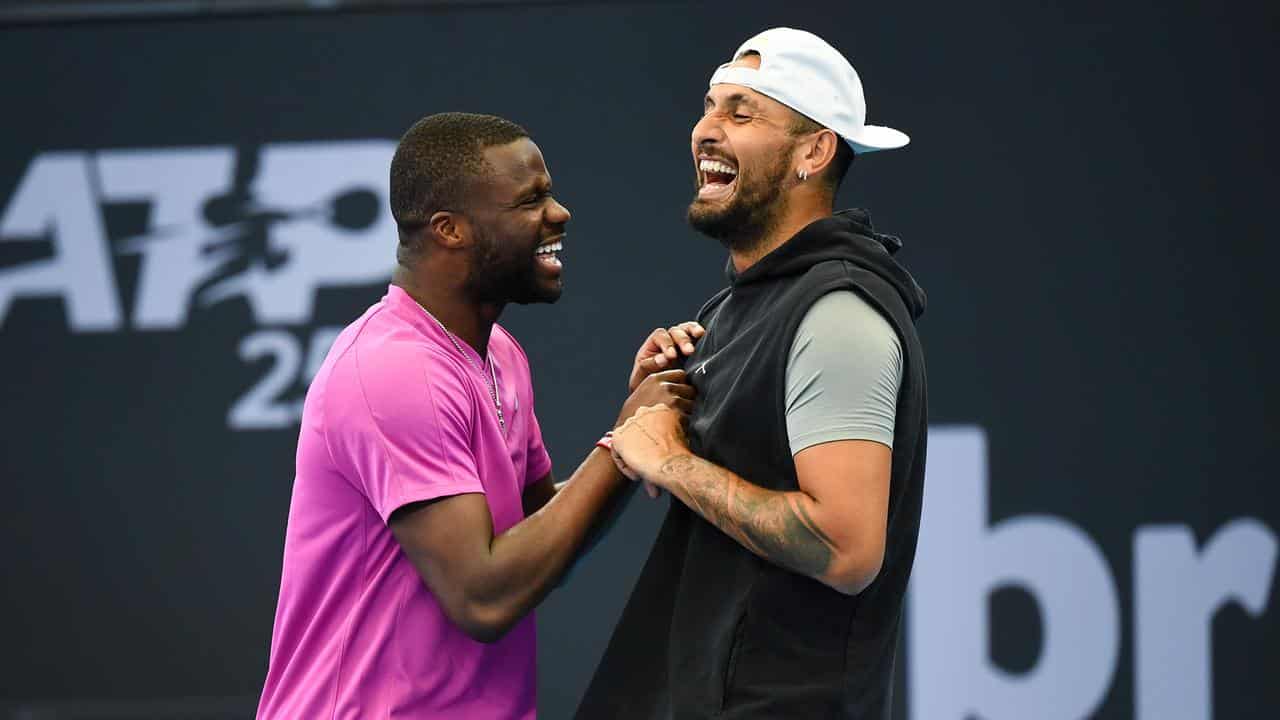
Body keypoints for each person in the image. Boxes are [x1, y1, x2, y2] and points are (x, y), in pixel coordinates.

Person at [256, 112, 695, 719]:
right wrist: (623, 439)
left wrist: (638, 438)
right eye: (530, 200)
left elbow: (543, 533)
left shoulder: (500, 353)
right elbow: (484, 598)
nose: (560, 213)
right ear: (450, 230)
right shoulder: (394, 369)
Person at [577, 28, 929, 719]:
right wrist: (675, 403)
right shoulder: (737, 306)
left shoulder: (839, 315)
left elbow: (847, 548)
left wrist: (674, 461)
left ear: (814, 151)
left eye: (742, 113)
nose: (706, 130)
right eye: (710, 106)